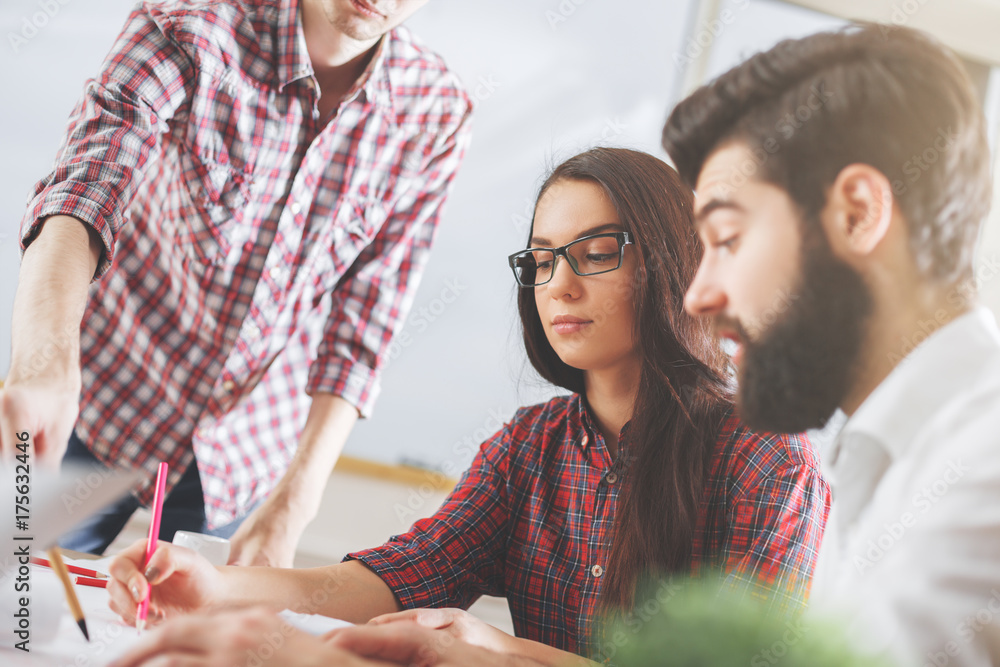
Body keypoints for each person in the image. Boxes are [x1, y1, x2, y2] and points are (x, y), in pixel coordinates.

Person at [105, 147, 830, 665]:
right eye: (543, 258)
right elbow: (393, 578)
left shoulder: (767, 454)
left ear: (674, 259)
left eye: (596, 251)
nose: (560, 284)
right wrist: (216, 583)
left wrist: (504, 652)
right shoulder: (531, 444)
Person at [0, 0, 472, 566]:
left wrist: (296, 501)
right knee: (19, 603)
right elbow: (84, 192)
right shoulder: (187, 24)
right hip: (97, 404)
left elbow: (367, 319)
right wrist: (41, 363)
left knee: (177, 643)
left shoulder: (437, 113)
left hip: (240, 450)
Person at [663, 22, 1000, 666]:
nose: (697, 296)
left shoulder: (982, 468)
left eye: (728, 240)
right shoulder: (878, 464)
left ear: (857, 214)